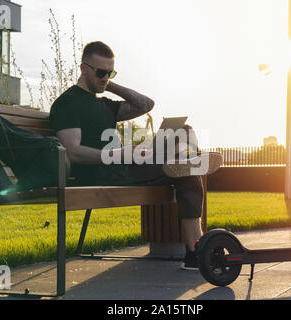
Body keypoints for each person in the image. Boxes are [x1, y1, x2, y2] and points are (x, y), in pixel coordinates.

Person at [49, 41, 222, 269]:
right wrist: (120, 154)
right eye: (101, 72)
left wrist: (108, 84)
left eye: (110, 73)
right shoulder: (68, 103)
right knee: (187, 171)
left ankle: (185, 159)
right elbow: (73, 152)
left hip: (125, 165)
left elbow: (146, 104)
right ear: (83, 68)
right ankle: (195, 251)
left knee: (182, 131)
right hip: (106, 173)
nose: (105, 77)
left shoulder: (105, 105)